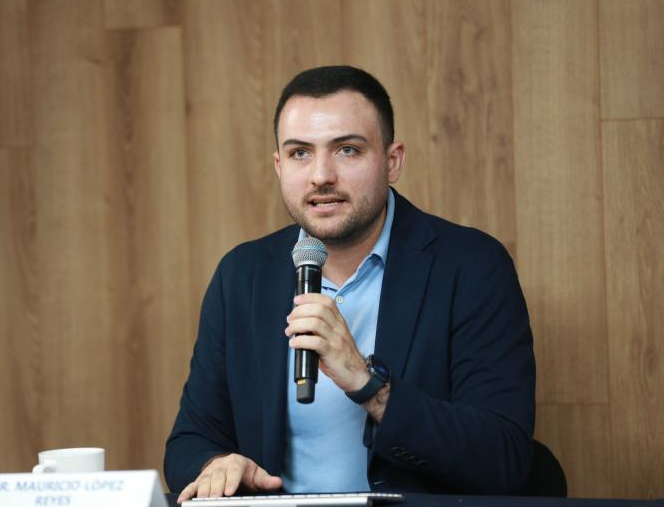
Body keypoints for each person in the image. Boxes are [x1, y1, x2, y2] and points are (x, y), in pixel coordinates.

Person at [164, 66, 535, 499]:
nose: (321, 175)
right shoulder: (242, 275)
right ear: (279, 166)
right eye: (300, 153)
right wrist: (215, 464)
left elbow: (503, 457)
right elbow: (189, 442)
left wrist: (367, 384)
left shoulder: (471, 267)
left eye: (347, 150)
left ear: (393, 161)